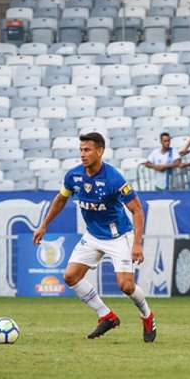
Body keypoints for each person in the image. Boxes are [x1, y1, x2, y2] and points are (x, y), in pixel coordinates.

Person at [32, 132, 156, 342]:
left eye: (87, 150)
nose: (82, 154)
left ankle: (147, 315)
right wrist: (43, 225)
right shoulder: (74, 176)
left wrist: (137, 244)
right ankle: (106, 315)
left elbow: (137, 210)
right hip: (93, 236)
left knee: (126, 286)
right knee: (70, 276)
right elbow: (61, 199)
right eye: (81, 150)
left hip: (118, 236)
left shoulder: (114, 179)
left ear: (100, 151)